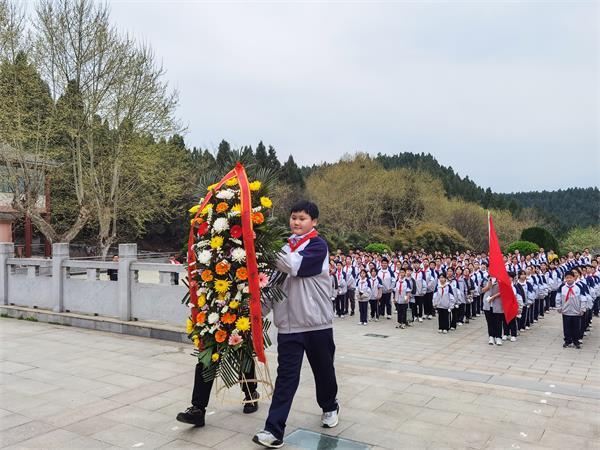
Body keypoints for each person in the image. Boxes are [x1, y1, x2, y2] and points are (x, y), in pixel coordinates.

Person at [253, 201, 339, 449]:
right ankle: (273, 430)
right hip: (289, 328)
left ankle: (330, 406)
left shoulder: (317, 247)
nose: (296, 222)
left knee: (324, 371)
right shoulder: (284, 249)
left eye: (302, 218)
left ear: (314, 222)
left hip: (316, 325)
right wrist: (257, 315)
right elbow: (272, 286)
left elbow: (293, 266)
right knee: (286, 378)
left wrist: (261, 246)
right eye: (293, 218)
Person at [556, 271, 584, 348]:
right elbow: (558, 298)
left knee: (576, 327)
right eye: (567, 278)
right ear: (565, 278)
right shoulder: (562, 287)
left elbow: (583, 299)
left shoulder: (578, 287)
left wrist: (582, 309)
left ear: (574, 278)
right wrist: (559, 307)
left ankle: (576, 341)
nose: (569, 279)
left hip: (576, 311)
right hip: (566, 311)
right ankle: (567, 341)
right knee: (566, 327)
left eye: (570, 278)